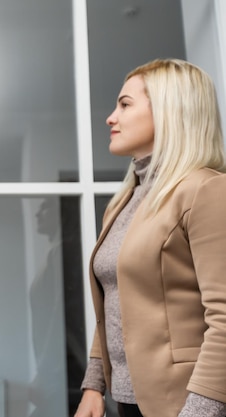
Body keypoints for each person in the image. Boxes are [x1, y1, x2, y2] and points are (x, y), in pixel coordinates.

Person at [74, 58, 226, 417]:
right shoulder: (123, 202)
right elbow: (115, 301)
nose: (111, 118)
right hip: (127, 401)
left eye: (125, 105)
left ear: (170, 110)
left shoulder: (206, 190)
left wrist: (201, 410)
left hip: (186, 404)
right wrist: (94, 387)